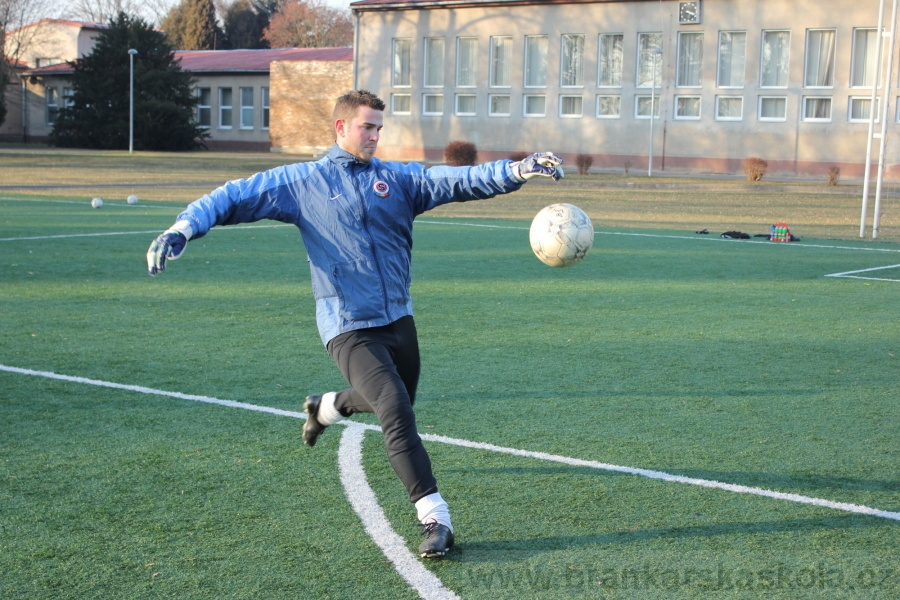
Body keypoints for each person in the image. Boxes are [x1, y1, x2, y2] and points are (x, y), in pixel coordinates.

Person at [146, 89, 564, 558]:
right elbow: (233, 196)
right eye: (367, 126)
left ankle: (324, 408)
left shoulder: (398, 179)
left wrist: (515, 169)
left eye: (379, 128)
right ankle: (435, 518)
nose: (375, 136)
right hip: (347, 325)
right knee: (395, 409)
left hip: (398, 318)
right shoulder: (302, 181)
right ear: (341, 127)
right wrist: (184, 227)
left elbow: (456, 180)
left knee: (391, 398)